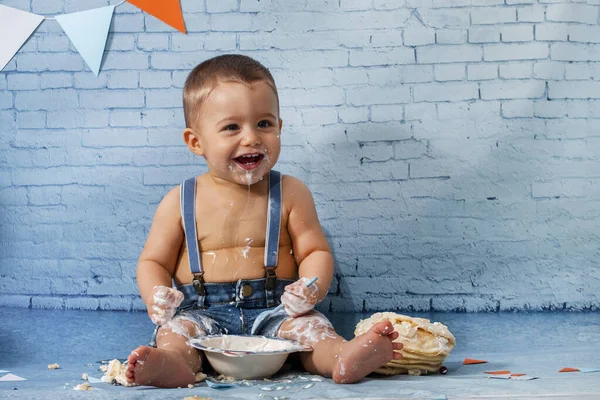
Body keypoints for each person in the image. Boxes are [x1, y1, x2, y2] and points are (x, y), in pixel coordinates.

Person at [124, 54, 403, 388]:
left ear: (280, 127)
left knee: (312, 330)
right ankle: (173, 363)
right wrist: (156, 294)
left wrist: (310, 288)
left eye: (264, 124)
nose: (251, 138)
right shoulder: (180, 200)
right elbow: (153, 260)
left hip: (277, 310)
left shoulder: (290, 192)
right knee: (176, 333)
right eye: (231, 127)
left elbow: (316, 251)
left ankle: (341, 357)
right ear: (195, 141)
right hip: (201, 313)